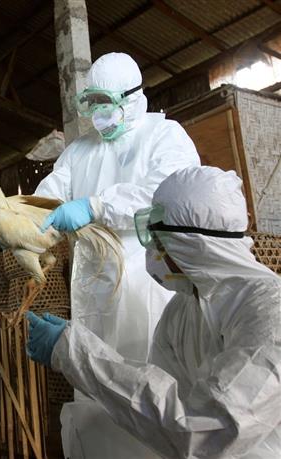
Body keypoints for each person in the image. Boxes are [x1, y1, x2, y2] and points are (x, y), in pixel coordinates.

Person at [28, 166, 281, 459]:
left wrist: (77, 354)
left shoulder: (270, 312)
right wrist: (71, 347)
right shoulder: (181, 311)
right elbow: (154, 409)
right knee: (88, 425)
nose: (152, 251)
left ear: (193, 246)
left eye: (157, 240)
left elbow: (206, 433)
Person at [36, 52, 201, 456]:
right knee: (94, 380)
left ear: (132, 98)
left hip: (150, 281)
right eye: (92, 104)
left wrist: (96, 206)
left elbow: (166, 193)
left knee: (151, 380)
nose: (98, 115)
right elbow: (50, 193)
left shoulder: (164, 135)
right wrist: (19, 214)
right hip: (92, 286)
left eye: (105, 104)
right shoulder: (79, 151)